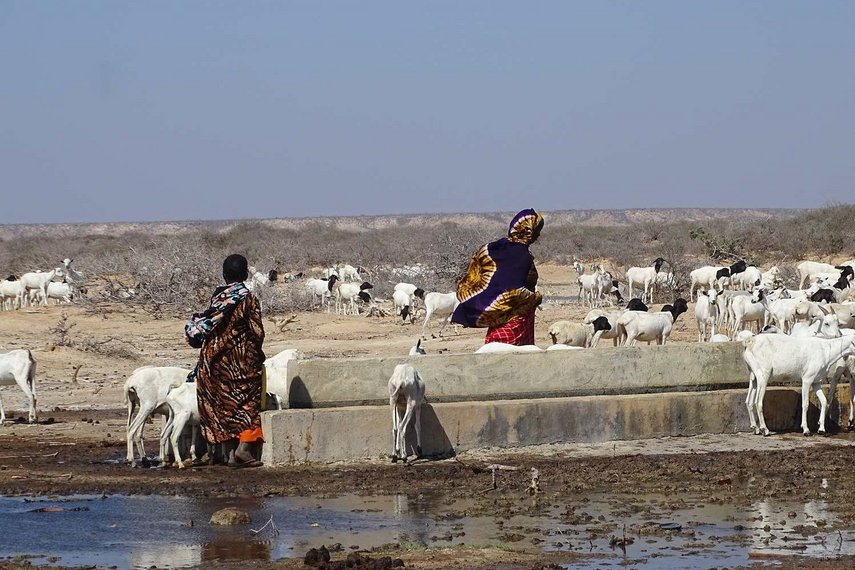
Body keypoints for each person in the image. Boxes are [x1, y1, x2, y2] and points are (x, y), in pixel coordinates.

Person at [185, 254, 266, 467]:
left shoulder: (217, 298)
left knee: (221, 405)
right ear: (246, 274)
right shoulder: (248, 299)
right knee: (248, 403)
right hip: (239, 364)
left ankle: (228, 454)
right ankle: (244, 449)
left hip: (211, 363)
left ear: (224, 275)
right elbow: (257, 332)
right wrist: (256, 355)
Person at [451, 209, 544, 345]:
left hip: (499, 321)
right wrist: (535, 298)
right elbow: (514, 292)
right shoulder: (522, 256)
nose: (538, 235)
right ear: (529, 231)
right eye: (537, 230)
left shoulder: (496, 248)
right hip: (515, 323)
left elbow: (482, 276)